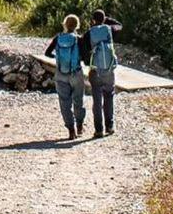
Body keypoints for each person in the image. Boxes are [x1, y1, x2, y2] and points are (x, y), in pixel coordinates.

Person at [80, 9, 121, 137]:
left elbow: (83, 50)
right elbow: (120, 25)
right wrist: (106, 20)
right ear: (104, 19)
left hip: (95, 70)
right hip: (109, 70)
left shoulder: (88, 34)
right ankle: (110, 126)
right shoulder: (110, 29)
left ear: (92, 20)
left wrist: (88, 63)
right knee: (109, 96)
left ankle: (98, 130)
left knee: (97, 100)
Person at [45, 14, 86, 139]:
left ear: (64, 24)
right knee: (78, 100)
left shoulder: (58, 38)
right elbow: (85, 57)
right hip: (76, 73)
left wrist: (57, 59)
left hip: (61, 74)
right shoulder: (78, 39)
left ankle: (71, 130)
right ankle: (79, 125)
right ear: (77, 26)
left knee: (64, 103)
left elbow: (47, 53)